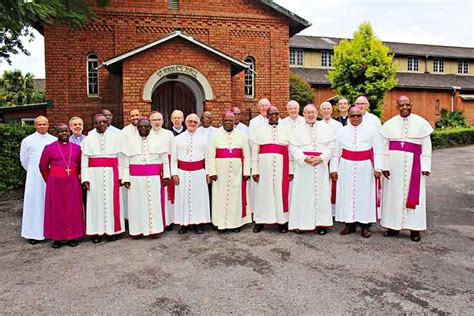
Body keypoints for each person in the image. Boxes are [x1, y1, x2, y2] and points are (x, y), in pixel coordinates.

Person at [380, 96, 433, 242]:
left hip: (414, 167)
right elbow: (383, 147)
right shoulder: (389, 124)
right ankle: (392, 227)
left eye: (407, 105)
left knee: (416, 197)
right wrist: (384, 165)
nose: (405, 107)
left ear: (411, 105)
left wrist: (426, 166)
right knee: (392, 197)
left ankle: (415, 229)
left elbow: (427, 147)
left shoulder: (421, 123)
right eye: (401, 105)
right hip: (393, 168)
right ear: (397, 107)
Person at [330, 105, 382, 238]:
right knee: (347, 195)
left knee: (364, 196)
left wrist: (378, 168)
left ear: (362, 115)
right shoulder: (341, 131)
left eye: (358, 115)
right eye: (353, 115)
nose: (356, 118)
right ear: (349, 116)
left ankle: (365, 226)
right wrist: (334, 169)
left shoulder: (372, 130)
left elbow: (378, 150)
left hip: (365, 167)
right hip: (346, 166)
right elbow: (336, 152)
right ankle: (349, 224)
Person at [289, 104, 334, 234]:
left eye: (313, 112)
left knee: (322, 195)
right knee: (302, 195)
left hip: (320, 165)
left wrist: (322, 158)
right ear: (303, 114)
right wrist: (304, 158)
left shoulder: (325, 128)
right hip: (304, 167)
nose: (310, 115)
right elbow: (293, 147)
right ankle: (301, 224)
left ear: (316, 113)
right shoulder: (297, 129)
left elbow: (331, 146)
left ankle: (321, 224)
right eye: (308, 112)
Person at [121, 117, 170, 237]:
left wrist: (166, 176)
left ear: (150, 127)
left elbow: (165, 161)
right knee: (136, 204)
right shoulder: (130, 142)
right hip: (135, 179)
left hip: (153, 178)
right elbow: (125, 163)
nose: (143, 129)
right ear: (137, 128)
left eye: (146, 127)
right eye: (140, 127)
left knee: (154, 204)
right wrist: (125, 178)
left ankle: (155, 230)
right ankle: (137, 231)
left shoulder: (159, 141)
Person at [39, 124, 85, 248]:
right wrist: (50, 180)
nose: (64, 133)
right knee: (56, 210)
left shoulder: (77, 148)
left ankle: (73, 236)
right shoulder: (49, 148)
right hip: (55, 184)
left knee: (73, 209)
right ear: (56, 133)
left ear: (69, 132)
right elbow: (43, 167)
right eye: (61, 131)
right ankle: (57, 238)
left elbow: (80, 165)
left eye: (66, 131)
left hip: (73, 182)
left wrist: (79, 176)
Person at [81, 114, 124, 243]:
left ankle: (112, 231)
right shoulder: (88, 140)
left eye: (104, 122)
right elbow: (84, 161)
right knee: (96, 203)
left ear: (107, 123)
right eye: (98, 122)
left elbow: (120, 159)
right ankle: (96, 232)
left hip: (112, 174)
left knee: (112, 202)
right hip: (95, 176)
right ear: (94, 124)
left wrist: (120, 176)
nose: (101, 124)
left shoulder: (116, 138)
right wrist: (85, 179)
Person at [251, 106, 293, 233]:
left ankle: (282, 222)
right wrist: (255, 170)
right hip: (264, 168)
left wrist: (291, 170)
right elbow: (254, 152)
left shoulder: (286, 130)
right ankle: (260, 221)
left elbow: (290, 152)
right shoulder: (258, 130)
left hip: (281, 167)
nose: (274, 116)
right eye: (271, 114)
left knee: (279, 193)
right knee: (263, 194)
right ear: (267, 116)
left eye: (276, 113)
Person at [208, 111, 251, 232]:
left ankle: (236, 224)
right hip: (220, 173)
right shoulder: (215, 135)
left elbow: (247, 156)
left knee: (235, 198)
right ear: (222, 121)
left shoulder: (242, 135)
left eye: (230, 120)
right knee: (219, 198)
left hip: (237, 172)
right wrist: (212, 172)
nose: (228, 122)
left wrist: (246, 172)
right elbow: (210, 156)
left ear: (234, 121)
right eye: (226, 120)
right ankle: (220, 223)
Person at [19, 116, 57, 244]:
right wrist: (33, 171)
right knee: (34, 204)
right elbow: (24, 161)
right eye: (39, 124)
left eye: (44, 124)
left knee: (49, 203)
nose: (42, 126)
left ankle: (51, 232)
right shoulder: (27, 141)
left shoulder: (54, 140)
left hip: (50, 177)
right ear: (35, 126)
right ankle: (33, 234)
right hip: (34, 178)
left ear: (48, 125)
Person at [171, 114, 211, 234]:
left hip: (198, 173)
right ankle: (184, 224)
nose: (192, 123)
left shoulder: (204, 138)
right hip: (182, 172)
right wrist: (174, 173)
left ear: (198, 123)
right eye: (190, 121)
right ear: (186, 122)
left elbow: (208, 158)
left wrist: (208, 173)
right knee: (183, 197)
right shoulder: (177, 139)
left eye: (194, 121)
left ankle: (198, 224)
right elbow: (173, 159)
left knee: (198, 199)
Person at [150, 111, 175, 230]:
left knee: (167, 195)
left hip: (167, 165)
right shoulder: (147, 134)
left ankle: (168, 220)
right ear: (150, 122)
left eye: (159, 119)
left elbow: (173, 151)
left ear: (163, 121)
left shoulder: (168, 134)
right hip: (154, 168)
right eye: (154, 120)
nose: (157, 122)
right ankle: (157, 221)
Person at [120, 109, 141, 220]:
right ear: (129, 118)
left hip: (140, 168)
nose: (135, 117)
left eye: (137, 115)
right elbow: (122, 153)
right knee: (129, 196)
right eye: (132, 116)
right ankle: (129, 218)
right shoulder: (124, 132)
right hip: (128, 166)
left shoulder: (145, 129)